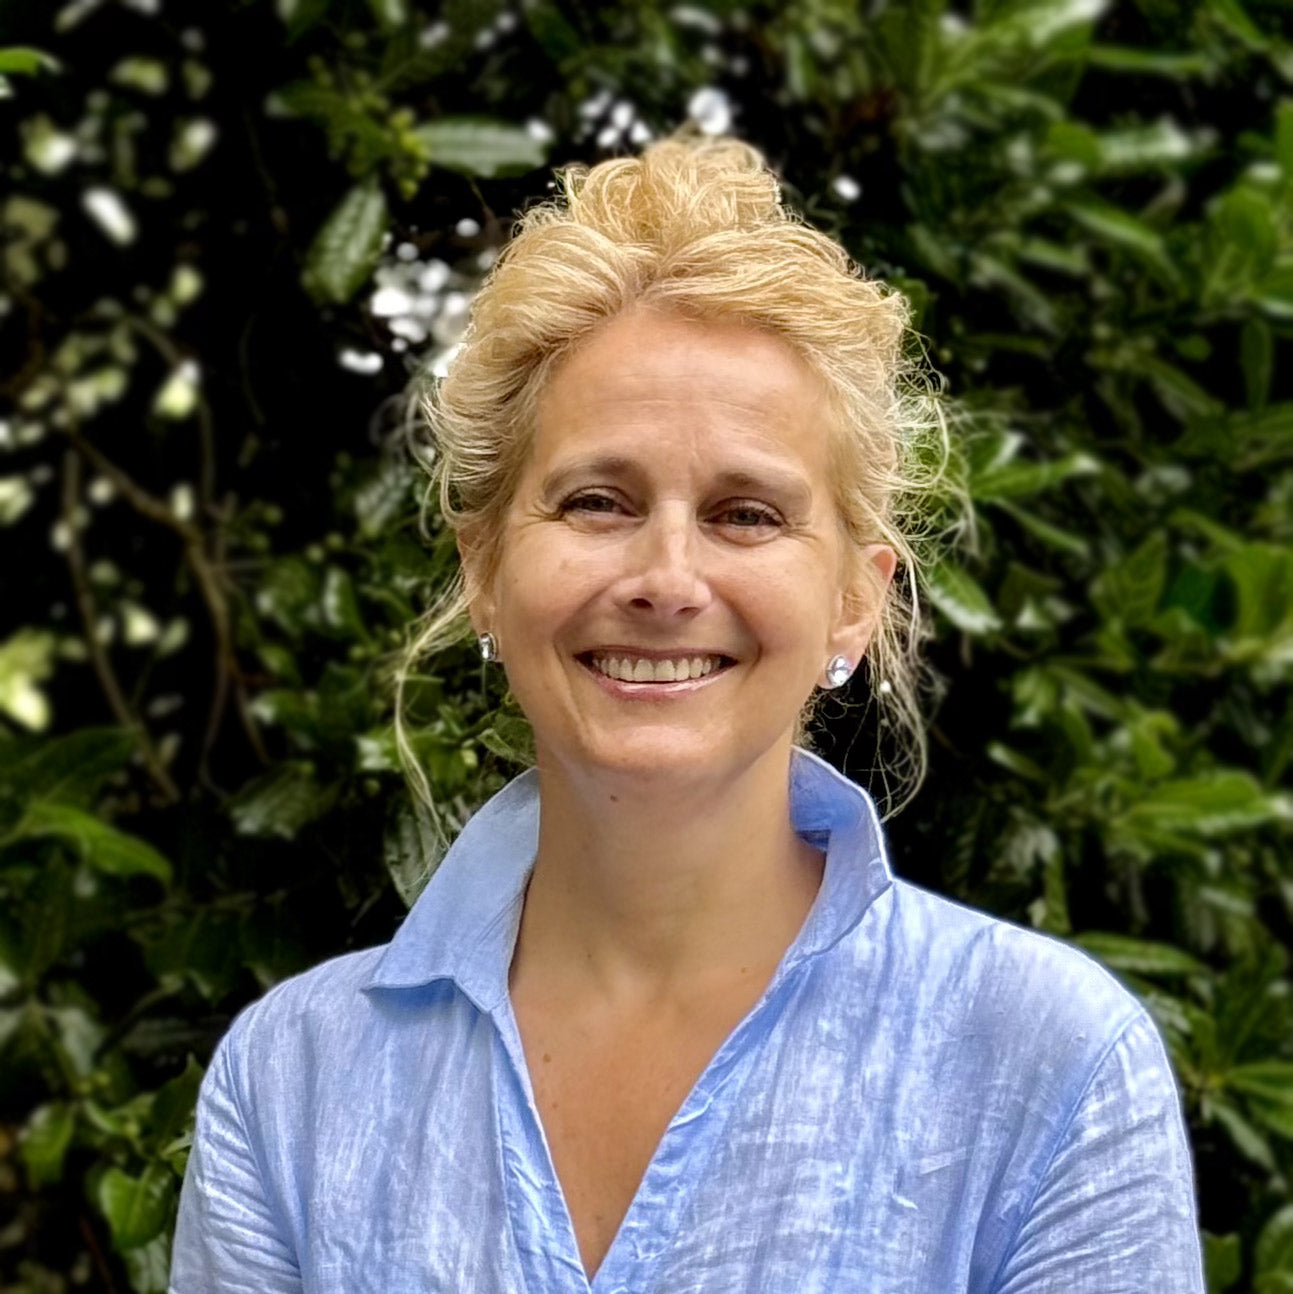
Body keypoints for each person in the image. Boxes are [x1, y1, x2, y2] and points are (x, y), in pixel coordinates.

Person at [170, 137, 1204, 1292]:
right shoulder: (292, 1085)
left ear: (854, 600)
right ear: (484, 569)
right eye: (597, 501)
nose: (666, 579)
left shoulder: (1052, 1068)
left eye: (746, 513)